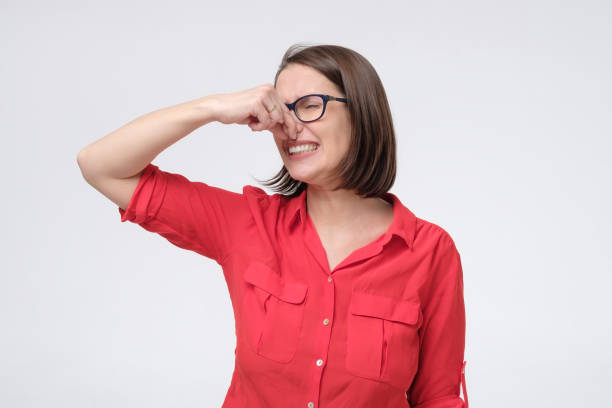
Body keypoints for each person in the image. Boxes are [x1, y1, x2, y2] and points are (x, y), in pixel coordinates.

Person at [77, 43, 469, 408]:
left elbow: (439, 396)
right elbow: (101, 167)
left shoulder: (430, 251)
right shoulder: (247, 223)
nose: (290, 127)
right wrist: (212, 107)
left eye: (310, 106)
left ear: (362, 112)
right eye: (281, 111)